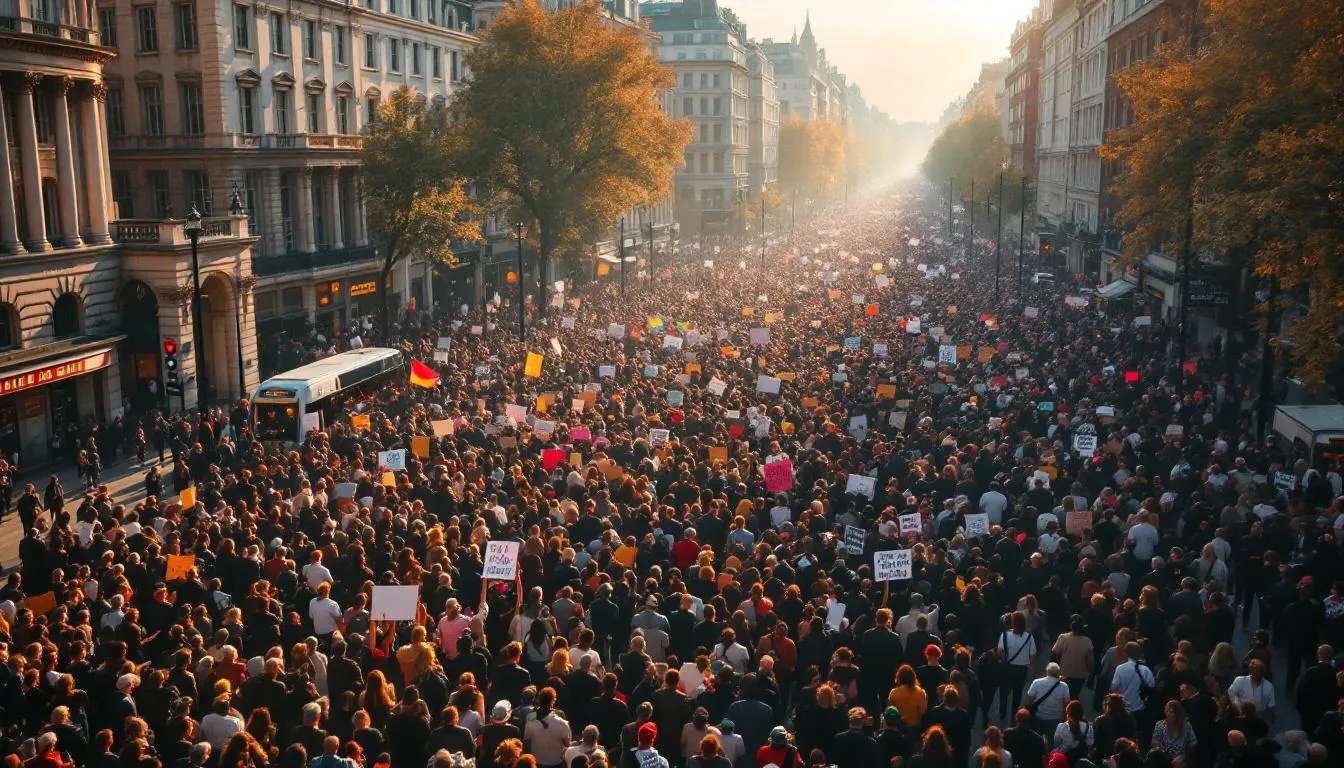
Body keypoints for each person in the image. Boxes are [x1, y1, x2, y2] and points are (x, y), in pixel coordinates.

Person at [1023, 663, 1069, 736]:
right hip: (1056, 718)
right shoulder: (1064, 686)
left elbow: (1029, 700)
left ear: (1047, 671)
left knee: (1037, 737)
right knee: (1052, 739)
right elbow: (1066, 703)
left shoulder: (1037, 682)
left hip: (1039, 717)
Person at [1227, 659, 1276, 724]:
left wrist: (1270, 717)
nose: (1256, 674)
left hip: (1258, 718)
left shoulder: (1269, 686)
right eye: (1254, 671)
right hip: (1242, 715)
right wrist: (1237, 705)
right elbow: (1231, 693)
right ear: (1250, 671)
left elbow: (1271, 705)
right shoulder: (1240, 680)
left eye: (1258, 672)